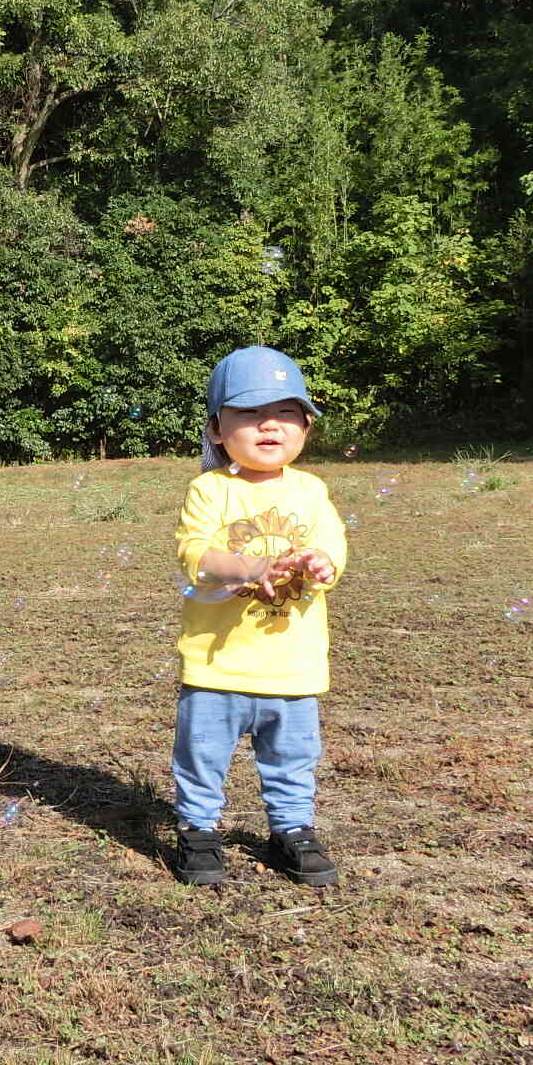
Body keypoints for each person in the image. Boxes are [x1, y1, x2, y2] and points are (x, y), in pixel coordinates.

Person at [170, 346, 348, 888]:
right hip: (216, 664)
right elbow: (196, 554)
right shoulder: (210, 490)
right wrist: (249, 564)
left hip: (292, 664)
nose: (269, 424)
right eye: (248, 412)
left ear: (307, 426)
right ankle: (199, 830)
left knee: (292, 757)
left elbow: (332, 555)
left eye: (287, 412)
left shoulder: (312, 491)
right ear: (216, 430)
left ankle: (291, 830)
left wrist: (320, 564)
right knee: (202, 757)